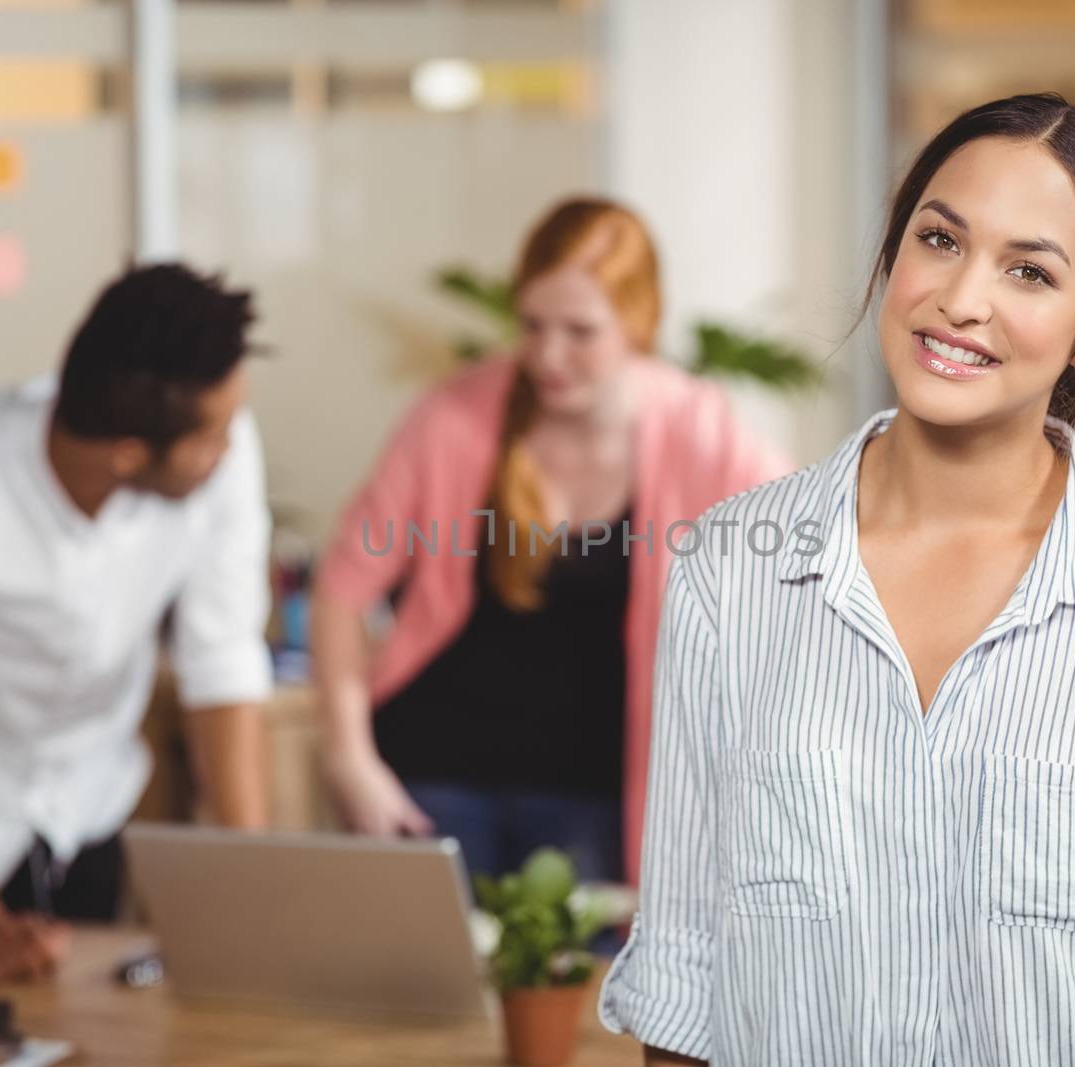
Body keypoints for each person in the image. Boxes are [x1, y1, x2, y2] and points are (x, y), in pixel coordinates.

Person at [600, 94, 1075, 1066]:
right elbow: (685, 970)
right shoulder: (731, 571)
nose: (961, 298)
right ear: (893, 253)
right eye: (939, 239)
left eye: (1029, 270)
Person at [314, 197, 792, 886]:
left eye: (580, 331)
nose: (547, 356)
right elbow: (341, 587)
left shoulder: (701, 433)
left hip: (597, 798)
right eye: (533, 325)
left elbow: (818, 551)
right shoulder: (454, 415)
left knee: (590, 990)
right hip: (430, 777)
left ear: (637, 323)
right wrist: (350, 759)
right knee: (429, 992)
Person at [0, 263, 276, 983]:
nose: (231, 449)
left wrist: (252, 898)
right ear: (130, 454)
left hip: (87, 814)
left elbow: (223, 663)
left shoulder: (224, 456)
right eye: (217, 435)